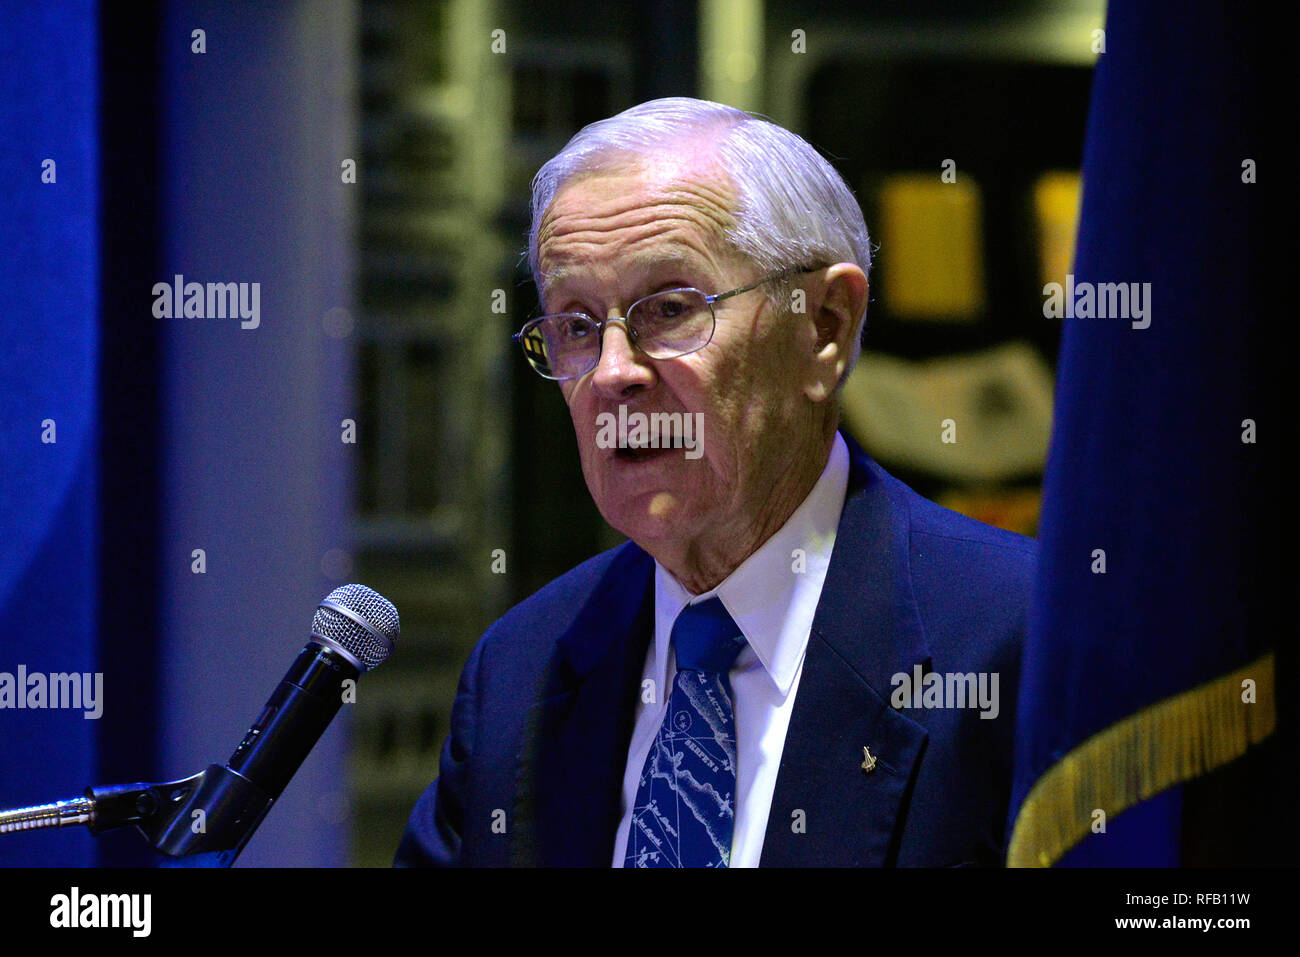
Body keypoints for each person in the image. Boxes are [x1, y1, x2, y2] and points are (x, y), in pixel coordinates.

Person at [395, 97, 1035, 867]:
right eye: (574, 325)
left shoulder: (1020, 642)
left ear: (824, 326)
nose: (613, 373)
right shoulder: (523, 669)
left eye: (668, 308)